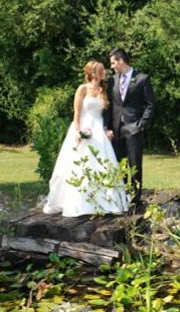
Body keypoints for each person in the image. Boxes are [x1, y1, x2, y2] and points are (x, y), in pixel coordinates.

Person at [43, 61, 128, 217]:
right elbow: (76, 114)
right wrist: (78, 131)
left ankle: (105, 201)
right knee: (79, 166)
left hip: (99, 131)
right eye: (102, 70)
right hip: (83, 128)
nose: (105, 72)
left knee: (103, 164)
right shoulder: (82, 89)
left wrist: (107, 129)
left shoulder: (104, 90)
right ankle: (79, 203)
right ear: (93, 72)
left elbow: (106, 115)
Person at [105, 47, 155, 206]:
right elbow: (109, 105)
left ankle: (135, 199)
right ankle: (121, 197)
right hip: (116, 130)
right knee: (119, 164)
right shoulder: (112, 80)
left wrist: (141, 125)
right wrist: (107, 127)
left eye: (113, 63)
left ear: (121, 61)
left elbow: (150, 104)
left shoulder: (142, 79)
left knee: (134, 164)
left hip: (134, 128)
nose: (112, 66)